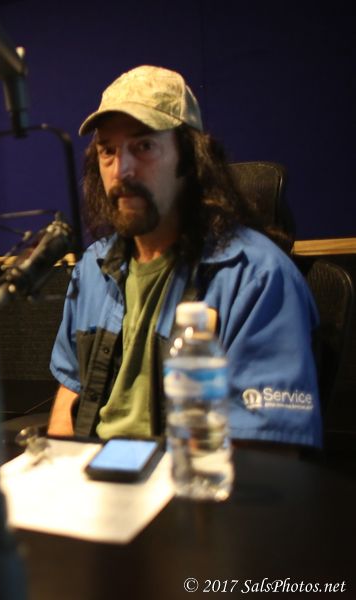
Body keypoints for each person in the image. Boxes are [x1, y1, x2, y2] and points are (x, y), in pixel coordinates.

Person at [47, 65, 322, 447]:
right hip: (91, 473)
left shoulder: (257, 277)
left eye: (144, 146)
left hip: (189, 476)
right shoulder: (92, 269)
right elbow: (68, 399)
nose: (121, 170)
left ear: (191, 160)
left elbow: (266, 455)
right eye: (108, 151)